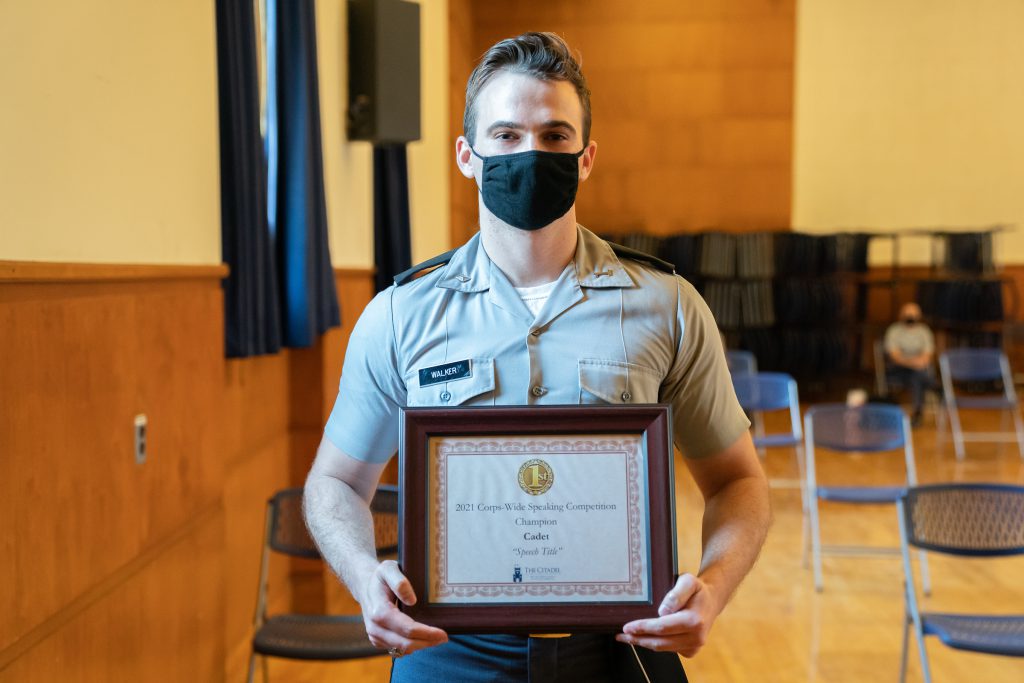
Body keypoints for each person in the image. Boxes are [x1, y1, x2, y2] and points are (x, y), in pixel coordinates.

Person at [304, 32, 770, 682]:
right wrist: (363, 576)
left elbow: (738, 482)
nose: (531, 154)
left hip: (621, 652)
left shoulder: (668, 305)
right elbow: (334, 485)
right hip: (446, 652)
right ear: (467, 155)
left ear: (585, 157)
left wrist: (714, 589)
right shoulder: (400, 315)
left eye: (555, 137)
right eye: (506, 136)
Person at [883, 302, 936, 426]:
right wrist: (914, 363)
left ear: (919, 316)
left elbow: (927, 355)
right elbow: (895, 357)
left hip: (918, 371)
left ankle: (918, 412)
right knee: (919, 375)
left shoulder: (924, 331)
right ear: (901, 315)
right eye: (908, 315)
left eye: (913, 315)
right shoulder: (894, 331)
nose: (910, 318)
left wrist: (919, 363)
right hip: (898, 370)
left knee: (916, 376)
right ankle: (934, 387)